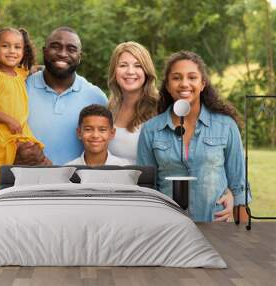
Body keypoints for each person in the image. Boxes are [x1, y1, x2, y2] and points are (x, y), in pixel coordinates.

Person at [137, 50, 249, 222]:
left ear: (203, 83)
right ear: (167, 85)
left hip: (217, 226)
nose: (184, 84)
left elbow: (239, 187)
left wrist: (243, 237)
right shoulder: (151, 130)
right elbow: (146, 188)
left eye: (192, 77)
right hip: (169, 228)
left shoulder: (226, 126)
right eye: (176, 78)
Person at [15, 27, 108, 166]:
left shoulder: (96, 97)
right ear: (44, 51)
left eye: (71, 49)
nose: (62, 53)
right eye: (55, 47)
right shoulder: (20, 88)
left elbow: (106, 148)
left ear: (79, 57)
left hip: (79, 185)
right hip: (26, 183)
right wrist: (15, 154)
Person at [0, 27, 47, 184]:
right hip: (3, 135)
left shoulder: (19, 74)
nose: (12, 51)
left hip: (18, 133)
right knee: (26, 168)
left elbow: (32, 69)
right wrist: (9, 120)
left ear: (24, 51)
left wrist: (45, 69)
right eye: (5, 46)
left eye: (17, 47)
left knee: (39, 165)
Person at [107, 42, 159, 164]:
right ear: (114, 71)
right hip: (114, 182)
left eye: (138, 66)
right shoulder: (109, 109)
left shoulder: (160, 109)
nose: (130, 71)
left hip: (148, 182)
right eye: (123, 65)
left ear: (146, 71)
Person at [66, 104, 130, 166]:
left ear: (112, 133)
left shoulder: (125, 168)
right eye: (88, 129)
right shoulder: (68, 170)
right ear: (79, 133)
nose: (95, 135)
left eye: (102, 130)